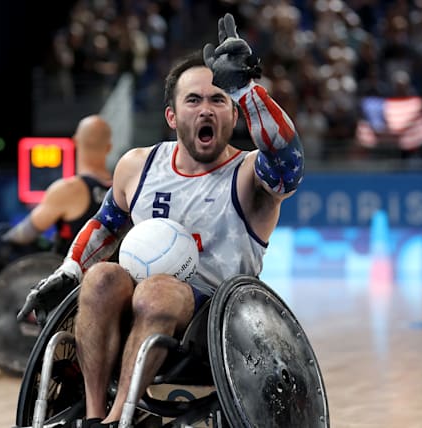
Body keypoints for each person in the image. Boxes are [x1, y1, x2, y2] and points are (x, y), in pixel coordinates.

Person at [17, 13, 304, 428]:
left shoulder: (248, 175)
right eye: (194, 100)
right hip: (136, 299)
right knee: (100, 279)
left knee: (159, 291)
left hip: (216, 322)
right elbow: (105, 224)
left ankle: (121, 420)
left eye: (218, 99)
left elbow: (288, 163)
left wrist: (246, 89)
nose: (206, 109)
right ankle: (95, 417)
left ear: (233, 114)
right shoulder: (138, 165)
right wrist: (68, 270)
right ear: (172, 117)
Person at [0, 114, 114, 275]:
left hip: (61, 272)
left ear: (75, 141)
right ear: (108, 147)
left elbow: (25, 234)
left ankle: (5, 298)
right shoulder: (117, 188)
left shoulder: (70, 188)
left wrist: (3, 242)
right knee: (2, 229)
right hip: (99, 269)